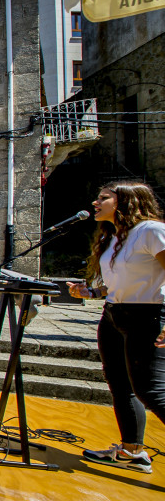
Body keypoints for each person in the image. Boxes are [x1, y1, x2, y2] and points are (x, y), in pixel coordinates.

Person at [68, 181, 165, 474]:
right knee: (120, 386)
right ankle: (131, 451)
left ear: (126, 201)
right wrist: (91, 292)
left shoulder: (151, 231)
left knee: (151, 390)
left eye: (104, 198)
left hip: (147, 316)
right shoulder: (114, 236)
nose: (95, 203)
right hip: (114, 315)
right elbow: (118, 283)